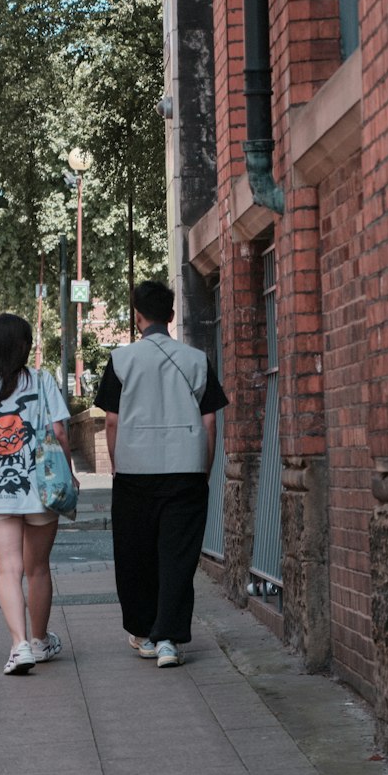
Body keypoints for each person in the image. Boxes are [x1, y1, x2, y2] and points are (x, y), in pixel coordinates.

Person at [94, 279, 228, 668]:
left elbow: (113, 423)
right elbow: (210, 423)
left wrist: (119, 464)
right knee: (178, 555)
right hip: (186, 468)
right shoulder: (197, 360)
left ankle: (143, 632)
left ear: (138, 317)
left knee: (135, 554)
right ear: (171, 316)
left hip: (136, 471)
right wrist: (204, 468)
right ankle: (168, 638)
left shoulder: (121, 360)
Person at [0, 313, 78, 675]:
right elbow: (59, 432)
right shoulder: (42, 380)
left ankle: (19, 647)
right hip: (40, 487)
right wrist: (71, 474)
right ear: (24, 346)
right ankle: (40, 640)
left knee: (8, 569)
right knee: (37, 568)